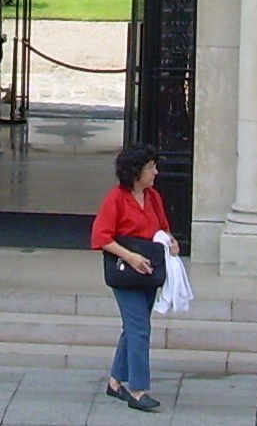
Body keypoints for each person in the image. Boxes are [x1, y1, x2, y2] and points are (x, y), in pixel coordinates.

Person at [91, 142, 178, 412]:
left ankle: (116, 382)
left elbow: (162, 228)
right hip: (127, 273)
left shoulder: (153, 198)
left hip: (148, 272)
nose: (155, 172)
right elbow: (101, 237)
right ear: (136, 171)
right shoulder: (116, 199)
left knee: (133, 328)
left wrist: (171, 242)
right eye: (150, 167)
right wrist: (130, 257)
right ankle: (138, 389)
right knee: (140, 328)